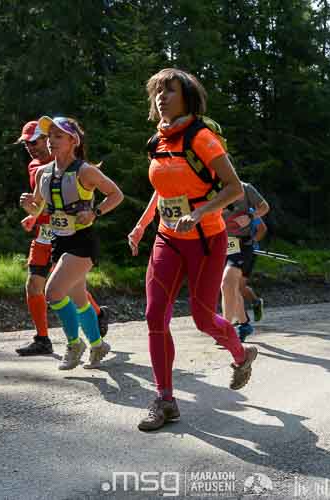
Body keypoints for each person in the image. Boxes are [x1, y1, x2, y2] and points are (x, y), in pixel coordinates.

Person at [128, 69, 258, 432]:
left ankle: (241, 354)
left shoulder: (202, 138)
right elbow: (164, 190)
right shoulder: (157, 141)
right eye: (157, 91)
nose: (161, 97)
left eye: (169, 91)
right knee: (155, 315)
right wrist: (142, 225)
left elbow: (234, 188)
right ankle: (164, 399)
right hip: (167, 238)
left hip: (206, 241)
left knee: (203, 319)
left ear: (187, 97)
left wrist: (200, 213)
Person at [20, 116, 123, 370]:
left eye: (58, 136)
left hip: (82, 242)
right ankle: (98, 345)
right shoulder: (43, 172)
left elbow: (116, 194)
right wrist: (29, 209)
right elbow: (38, 207)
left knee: (53, 292)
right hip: (59, 242)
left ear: (73, 141)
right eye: (49, 136)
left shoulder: (85, 171)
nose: (51, 141)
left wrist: (95, 212)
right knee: (79, 300)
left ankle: (74, 344)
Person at [221, 182, 269, 341]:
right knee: (231, 287)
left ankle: (226, 329)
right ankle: (244, 323)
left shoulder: (246, 193)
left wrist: (252, 240)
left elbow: (262, 227)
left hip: (244, 246)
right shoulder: (210, 190)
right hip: (223, 245)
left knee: (231, 284)